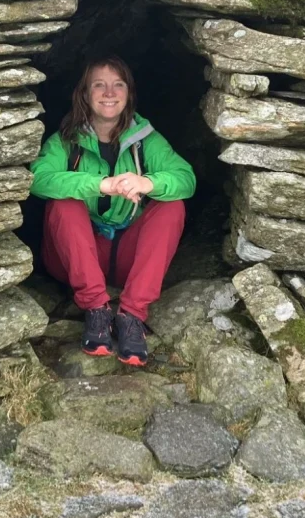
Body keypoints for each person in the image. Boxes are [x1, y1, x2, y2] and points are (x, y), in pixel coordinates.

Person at [30, 55, 196, 366]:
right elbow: (38, 179)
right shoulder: (65, 141)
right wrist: (100, 184)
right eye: (99, 85)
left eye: (117, 84)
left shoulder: (147, 141)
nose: (109, 93)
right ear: (84, 93)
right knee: (63, 201)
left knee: (171, 205)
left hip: (124, 258)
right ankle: (96, 309)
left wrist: (147, 182)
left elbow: (186, 178)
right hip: (73, 257)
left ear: (129, 93)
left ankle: (131, 314)